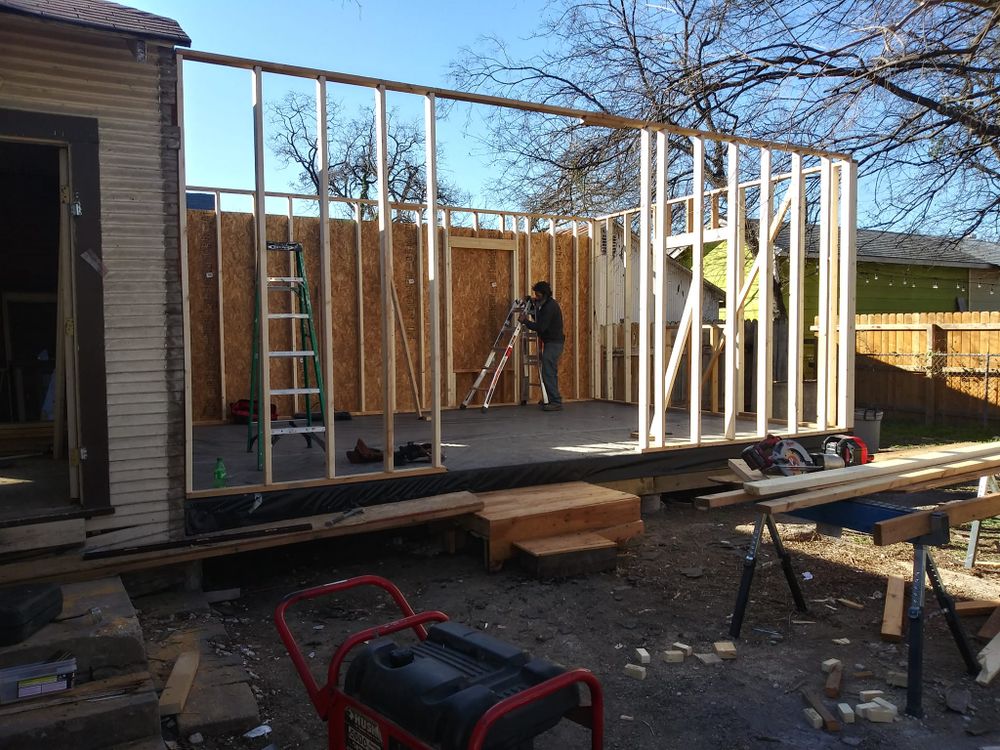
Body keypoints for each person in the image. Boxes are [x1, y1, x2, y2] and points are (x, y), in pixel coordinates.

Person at [520, 280, 564, 411]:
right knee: (551, 372)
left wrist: (525, 321)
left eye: (538, 296)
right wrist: (533, 307)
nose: (536, 298)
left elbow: (541, 327)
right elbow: (539, 319)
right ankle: (552, 398)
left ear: (545, 295)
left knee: (548, 372)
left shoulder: (550, 307)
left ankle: (555, 402)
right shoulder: (546, 305)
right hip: (552, 342)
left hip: (554, 344)